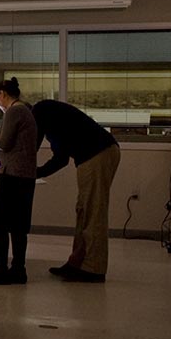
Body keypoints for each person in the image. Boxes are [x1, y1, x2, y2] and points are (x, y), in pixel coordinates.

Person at [33, 99, 120, 283]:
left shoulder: (40, 113)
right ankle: (77, 262)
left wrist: (32, 171)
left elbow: (37, 147)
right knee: (84, 210)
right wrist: (37, 171)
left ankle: (93, 269)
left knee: (93, 212)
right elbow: (61, 157)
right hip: (96, 154)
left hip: (97, 154)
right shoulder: (47, 113)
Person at [0, 78, 38, 285]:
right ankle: (18, 269)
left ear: (2, 94)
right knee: (18, 226)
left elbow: (4, 142)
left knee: (0, 224)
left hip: (14, 176)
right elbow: (8, 147)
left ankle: (1, 269)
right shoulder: (25, 110)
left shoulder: (14, 111)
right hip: (23, 175)